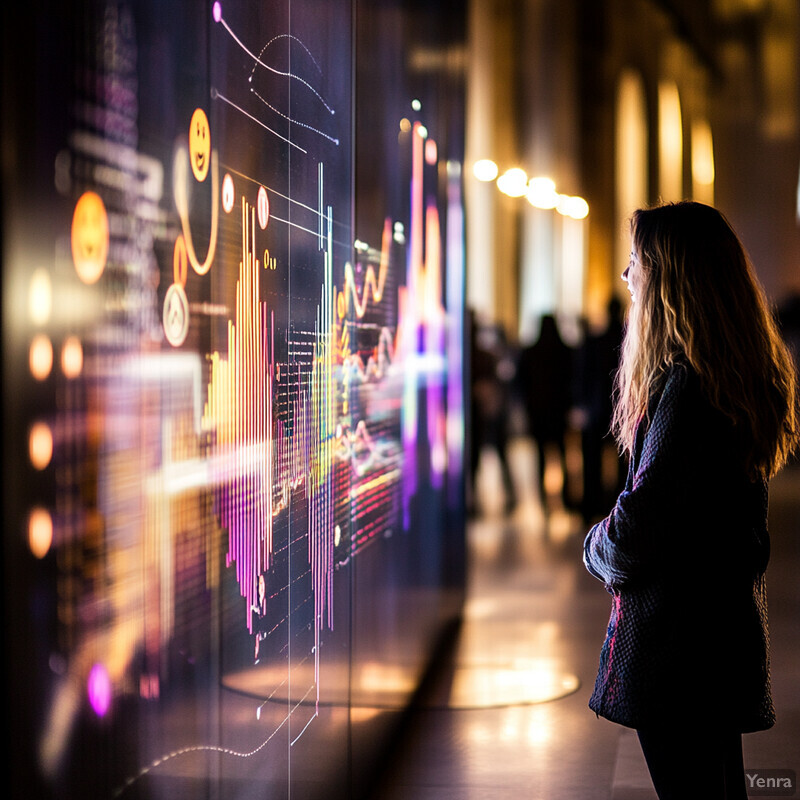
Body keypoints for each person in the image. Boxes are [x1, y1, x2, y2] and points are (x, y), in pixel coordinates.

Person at [583, 201, 798, 800]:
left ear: (669, 277)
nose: (627, 277)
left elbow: (638, 529)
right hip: (717, 643)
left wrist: (593, 545)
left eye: (635, 263)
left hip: (676, 655)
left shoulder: (686, 388)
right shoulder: (727, 382)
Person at [516, 314, 573, 512]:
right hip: (558, 410)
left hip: (538, 411)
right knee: (562, 453)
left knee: (541, 455)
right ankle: (566, 497)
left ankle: (542, 497)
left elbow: (520, 382)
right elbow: (571, 380)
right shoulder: (564, 351)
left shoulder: (531, 351)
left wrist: (527, 403)